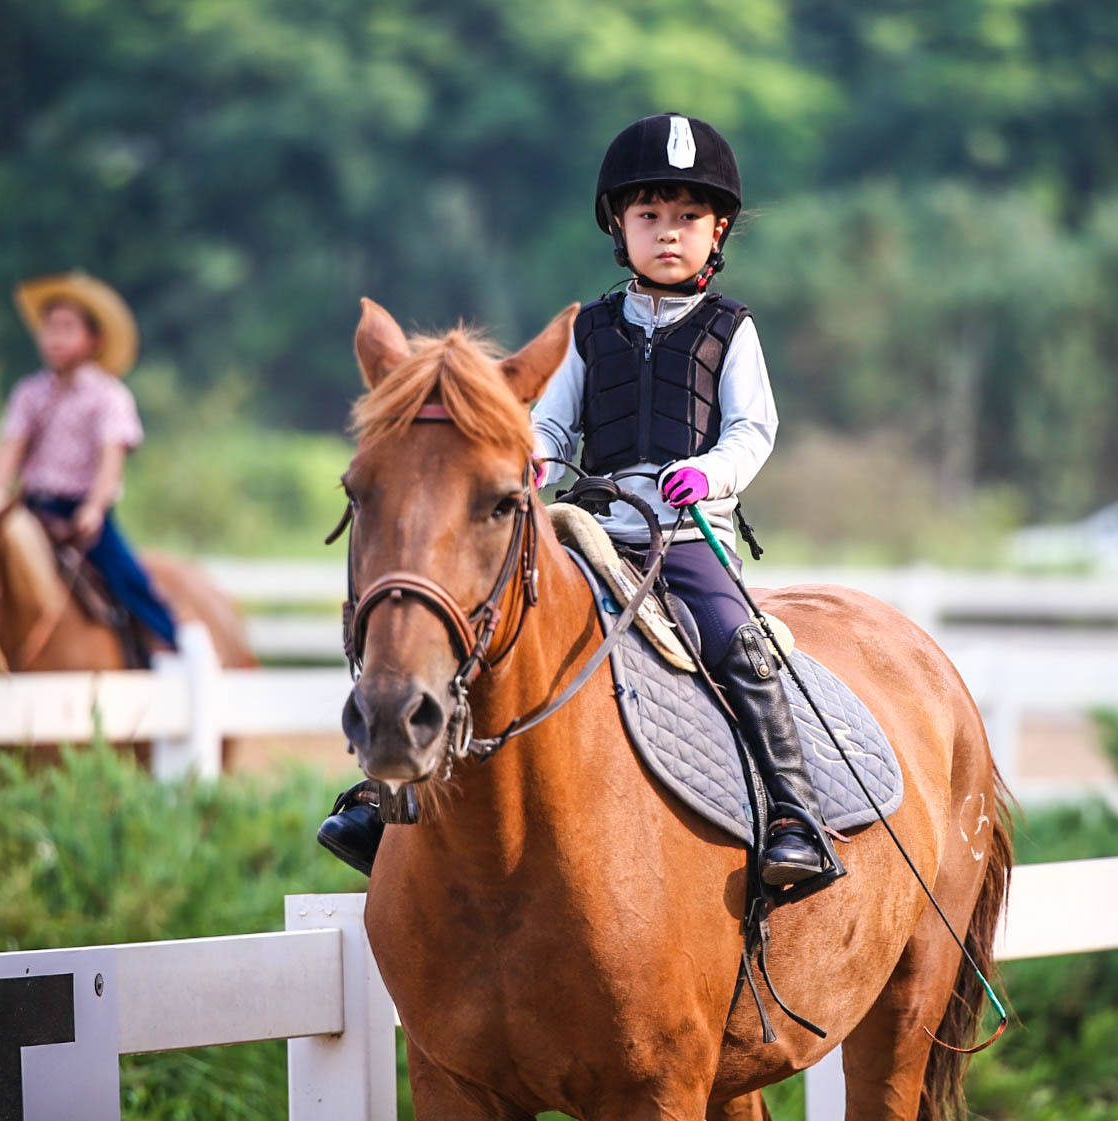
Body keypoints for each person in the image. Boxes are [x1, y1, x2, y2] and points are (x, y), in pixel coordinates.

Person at [319, 114, 838, 890]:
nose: (669, 234)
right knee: (486, 621)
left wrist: (709, 474)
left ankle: (795, 813)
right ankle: (387, 788)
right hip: (592, 528)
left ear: (717, 228)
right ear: (618, 227)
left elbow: (753, 428)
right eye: (649, 217)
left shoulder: (733, 329)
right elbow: (550, 424)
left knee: (741, 640)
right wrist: (534, 466)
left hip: (686, 535)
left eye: (688, 218)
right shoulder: (590, 328)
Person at [0, 272, 180, 655]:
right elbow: (10, 448)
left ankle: (172, 645)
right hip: (28, 511)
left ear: (95, 340)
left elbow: (111, 457)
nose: (54, 337)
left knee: (129, 578)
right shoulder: (31, 393)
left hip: (82, 516)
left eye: (67, 328)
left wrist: (93, 508)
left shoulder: (109, 396)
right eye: (49, 328)